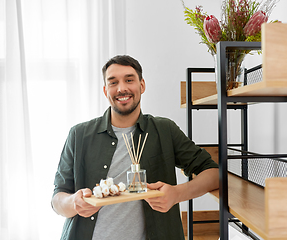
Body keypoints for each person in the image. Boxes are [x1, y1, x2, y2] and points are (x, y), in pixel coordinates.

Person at [51, 55, 219, 240]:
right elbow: (57, 199)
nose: (122, 88)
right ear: (106, 91)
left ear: (142, 85)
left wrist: (176, 194)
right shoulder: (79, 135)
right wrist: (73, 203)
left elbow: (213, 174)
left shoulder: (164, 130)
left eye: (129, 80)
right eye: (113, 82)